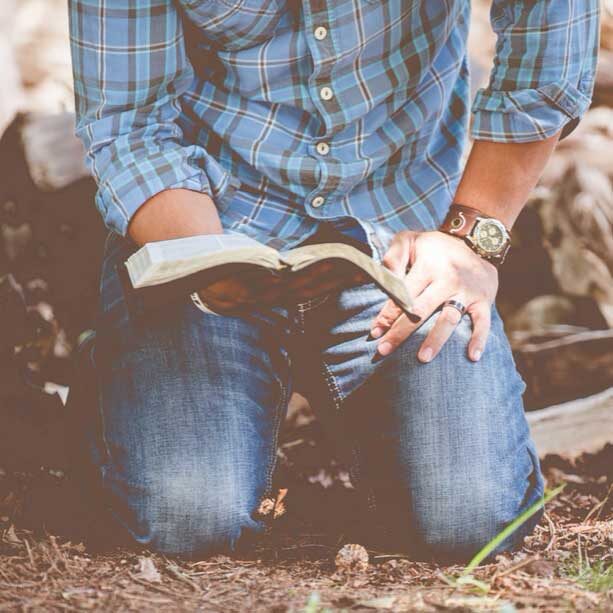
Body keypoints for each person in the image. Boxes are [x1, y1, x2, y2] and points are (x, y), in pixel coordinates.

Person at [68, 0, 599, 561]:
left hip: (403, 235)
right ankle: (114, 382)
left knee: (469, 520)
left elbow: (550, 42)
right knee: (187, 518)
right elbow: (130, 121)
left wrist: (469, 241)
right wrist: (208, 258)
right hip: (208, 222)